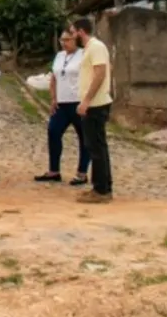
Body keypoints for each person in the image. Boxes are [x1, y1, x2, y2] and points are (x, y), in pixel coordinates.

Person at [35, 29, 90, 185]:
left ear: (75, 40)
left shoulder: (83, 54)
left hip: (77, 102)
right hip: (62, 102)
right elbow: (54, 77)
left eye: (68, 39)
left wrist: (86, 100)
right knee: (53, 131)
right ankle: (54, 170)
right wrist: (53, 98)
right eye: (62, 40)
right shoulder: (59, 56)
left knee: (83, 137)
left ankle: (82, 172)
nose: (64, 43)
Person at [72, 17, 114, 203]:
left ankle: (102, 190)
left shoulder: (96, 47)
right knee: (96, 146)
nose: (72, 35)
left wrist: (87, 100)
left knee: (96, 147)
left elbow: (100, 73)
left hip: (95, 104)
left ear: (81, 31)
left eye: (73, 31)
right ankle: (102, 186)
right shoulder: (90, 48)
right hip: (92, 103)